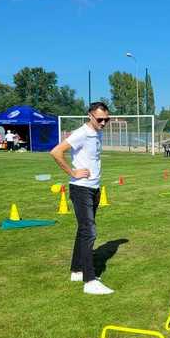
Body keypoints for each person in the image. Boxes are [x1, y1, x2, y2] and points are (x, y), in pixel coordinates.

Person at [50, 101, 113, 295]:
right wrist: (72, 172)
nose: (103, 123)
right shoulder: (82, 133)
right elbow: (56, 151)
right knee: (89, 232)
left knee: (83, 231)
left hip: (93, 188)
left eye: (106, 119)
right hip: (81, 188)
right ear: (90, 116)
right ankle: (89, 280)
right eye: (100, 119)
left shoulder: (97, 132)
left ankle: (77, 270)